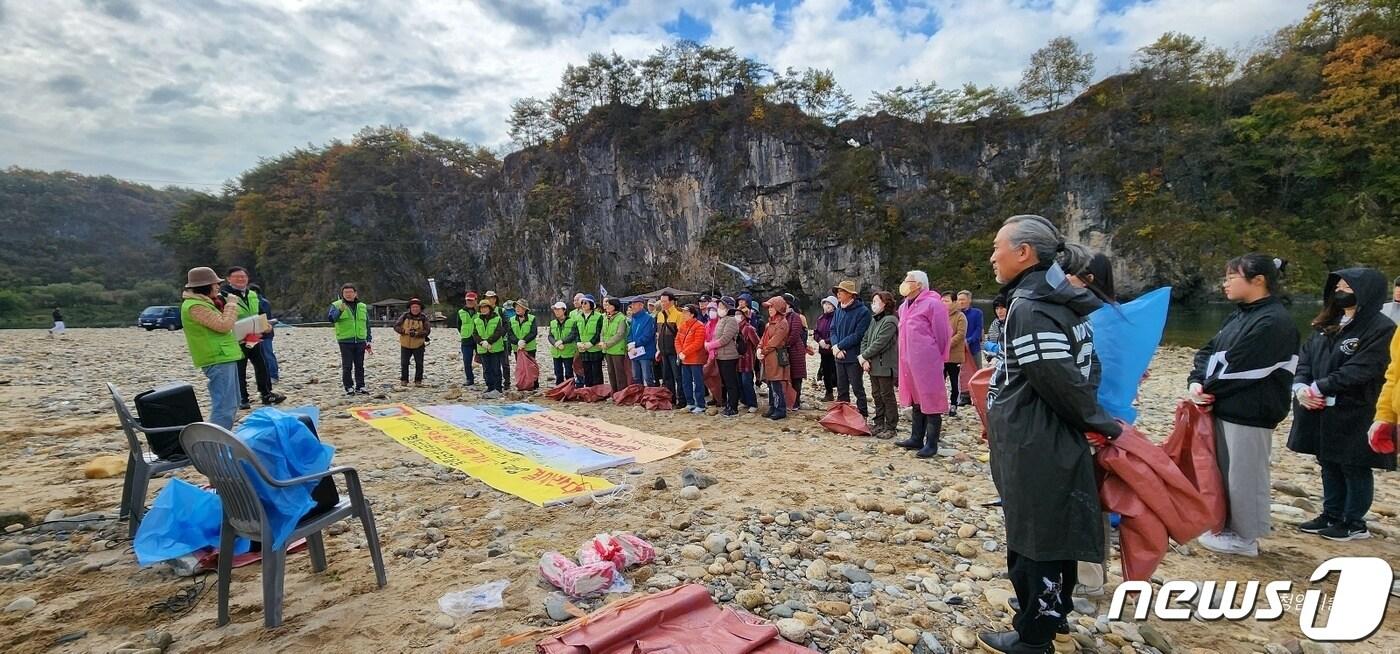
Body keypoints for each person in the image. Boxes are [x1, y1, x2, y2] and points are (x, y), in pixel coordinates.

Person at [978, 215, 1122, 654]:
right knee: (1056, 531)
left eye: (998, 247)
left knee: (1034, 536)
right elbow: (1087, 367)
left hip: (1035, 440)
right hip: (1048, 435)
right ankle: (1054, 618)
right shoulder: (1061, 300)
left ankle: (1033, 636)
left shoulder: (1031, 306)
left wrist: (1100, 423)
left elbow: (1054, 376)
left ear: (1024, 252)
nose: (992, 257)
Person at [1186, 254, 1301, 557]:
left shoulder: (1274, 321)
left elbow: (1245, 367)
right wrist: (1195, 381)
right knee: (1224, 471)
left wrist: (1207, 388)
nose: (1224, 283)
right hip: (1226, 404)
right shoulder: (1240, 314)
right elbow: (1209, 350)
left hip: (1252, 411)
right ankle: (1226, 526)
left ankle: (1245, 537)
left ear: (1258, 280)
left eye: (1230, 277)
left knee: (1245, 474)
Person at [1288, 268, 1396, 542]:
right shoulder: (1327, 322)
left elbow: (1364, 368)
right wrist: (1301, 386)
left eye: (1348, 286)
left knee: (1353, 463)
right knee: (1327, 460)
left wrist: (1320, 386)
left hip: (1356, 407)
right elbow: (1306, 358)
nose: (1341, 290)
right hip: (1320, 406)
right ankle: (1331, 513)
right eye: (1338, 285)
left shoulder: (1381, 328)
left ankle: (1354, 521)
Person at [895, 271, 951, 458]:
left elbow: (943, 334)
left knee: (931, 398)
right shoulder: (904, 306)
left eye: (908, 280)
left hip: (927, 359)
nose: (904, 283)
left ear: (919, 284)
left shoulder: (933, 304)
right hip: (908, 360)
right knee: (916, 398)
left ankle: (932, 443)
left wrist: (938, 355)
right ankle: (916, 437)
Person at [179, 267, 243, 429]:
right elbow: (223, 325)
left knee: (232, 402)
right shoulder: (195, 306)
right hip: (217, 358)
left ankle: (221, 441)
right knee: (224, 406)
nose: (218, 287)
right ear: (205, 286)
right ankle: (216, 446)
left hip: (224, 356)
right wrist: (232, 305)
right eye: (215, 284)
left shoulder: (205, 303)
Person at [223, 267, 283, 408]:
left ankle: (266, 394)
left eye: (243, 276)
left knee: (261, 364)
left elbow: (261, 313)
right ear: (228, 279)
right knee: (239, 368)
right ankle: (242, 399)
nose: (241, 279)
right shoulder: (223, 296)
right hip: (235, 338)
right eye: (237, 277)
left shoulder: (253, 294)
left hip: (253, 335)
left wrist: (265, 326)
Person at [859, 290, 899, 438]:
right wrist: (864, 358)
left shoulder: (890, 321)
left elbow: (880, 343)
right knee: (876, 395)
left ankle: (891, 426)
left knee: (887, 395)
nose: (873, 304)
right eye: (873, 301)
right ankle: (879, 422)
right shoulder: (874, 320)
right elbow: (865, 339)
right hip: (873, 365)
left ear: (885, 303)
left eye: (876, 301)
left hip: (885, 365)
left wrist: (863, 356)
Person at [830, 280, 873, 417]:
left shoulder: (863, 312)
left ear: (850, 294)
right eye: (838, 291)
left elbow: (858, 335)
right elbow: (833, 330)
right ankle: (842, 415)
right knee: (841, 387)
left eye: (841, 291)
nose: (838, 294)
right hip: (839, 355)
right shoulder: (838, 310)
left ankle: (863, 415)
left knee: (857, 387)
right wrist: (836, 347)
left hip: (854, 356)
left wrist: (839, 346)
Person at [329, 283, 372, 396]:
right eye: (346, 292)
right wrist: (340, 311)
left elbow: (367, 323)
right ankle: (348, 387)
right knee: (347, 365)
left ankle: (360, 386)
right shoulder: (337, 305)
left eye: (350, 292)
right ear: (342, 294)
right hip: (345, 340)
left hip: (360, 340)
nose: (348, 294)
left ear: (355, 293)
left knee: (359, 365)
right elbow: (332, 319)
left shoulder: (362, 306)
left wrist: (368, 339)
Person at [707, 297, 743, 417]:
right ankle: (728, 404)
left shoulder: (731, 321)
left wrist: (711, 345)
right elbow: (716, 335)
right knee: (725, 382)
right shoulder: (722, 320)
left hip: (729, 356)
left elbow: (725, 338)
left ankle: (733, 406)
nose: (719, 309)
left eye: (722, 306)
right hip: (721, 356)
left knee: (731, 382)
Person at [758, 297, 792, 420]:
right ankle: (773, 406)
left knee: (776, 383)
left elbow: (775, 341)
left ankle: (780, 409)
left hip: (776, 356)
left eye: (772, 307)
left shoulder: (782, 323)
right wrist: (759, 347)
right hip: (769, 356)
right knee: (771, 383)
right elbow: (764, 337)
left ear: (778, 308)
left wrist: (763, 350)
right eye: (769, 307)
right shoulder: (770, 323)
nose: (769, 310)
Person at [655, 291, 685, 408]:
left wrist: (679, 351)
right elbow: (658, 333)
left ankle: (682, 400)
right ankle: (670, 399)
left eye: (665, 301)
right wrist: (658, 349)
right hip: (663, 351)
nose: (662, 304)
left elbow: (680, 335)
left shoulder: (679, 315)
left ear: (672, 302)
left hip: (674, 351)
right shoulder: (660, 315)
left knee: (678, 376)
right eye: (661, 301)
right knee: (667, 377)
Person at [676, 304, 707, 413]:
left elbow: (698, 343)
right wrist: (680, 352)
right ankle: (690, 402)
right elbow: (677, 340)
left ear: (692, 314)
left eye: (686, 312)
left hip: (696, 359)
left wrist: (684, 352)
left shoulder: (699, 326)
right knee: (686, 382)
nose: (683, 314)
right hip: (685, 358)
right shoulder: (683, 325)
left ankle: (701, 404)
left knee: (698, 382)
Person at [394, 298, 431, 386]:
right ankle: (404, 380)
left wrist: (417, 333)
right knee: (404, 363)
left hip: (418, 344)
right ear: (410, 308)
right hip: (405, 343)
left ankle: (418, 380)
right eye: (413, 307)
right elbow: (396, 326)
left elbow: (427, 330)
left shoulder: (423, 318)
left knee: (419, 363)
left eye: (417, 307)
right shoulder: (404, 316)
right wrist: (404, 331)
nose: (415, 309)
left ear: (420, 308)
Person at [474, 300, 508, 396]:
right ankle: (490, 387)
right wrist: (481, 342)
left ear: (490, 308)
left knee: (496, 368)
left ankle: (498, 388)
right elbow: (475, 334)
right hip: (482, 348)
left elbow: (499, 332)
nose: (483, 309)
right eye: (482, 308)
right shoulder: (477, 320)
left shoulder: (497, 319)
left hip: (495, 348)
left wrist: (488, 342)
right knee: (486, 369)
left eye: (485, 307)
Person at [942, 293, 968, 417]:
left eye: (946, 301)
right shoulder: (940, 315)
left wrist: (947, 344)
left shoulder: (960, 316)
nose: (944, 304)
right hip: (940, 355)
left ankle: (954, 404)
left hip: (954, 355)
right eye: (942, 301)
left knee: (954, 380)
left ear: (953, 302)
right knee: (939, 380)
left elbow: (961, 334)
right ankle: (940, 403)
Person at [782, 293, 808, 410]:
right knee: (787, 376)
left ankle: (796, 402)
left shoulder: (795, 317)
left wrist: (784, 343)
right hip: (785, 351)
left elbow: (794, 334)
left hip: (795, 350)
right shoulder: (782, 316)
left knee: (796, 377)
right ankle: (789, 400)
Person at [957, 290, 983, 405]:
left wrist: (969, 341)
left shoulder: (977, 313)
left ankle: (978, 396)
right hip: (959, 349)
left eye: (963, 299)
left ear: (969, 300)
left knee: (977, 372)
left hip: (974, 348)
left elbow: (979, 330)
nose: (960, 302)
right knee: (962, 373)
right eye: (959, 300)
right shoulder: (956, 314)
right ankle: (964, 396)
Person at [574, 295, 606, 387]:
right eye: (582, 303)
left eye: (585, 303)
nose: (583, 305)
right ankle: (588, 390)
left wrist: (591, 343)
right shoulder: (578, 317)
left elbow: (599, 332)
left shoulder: (599, 317)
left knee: (597, 372)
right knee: (586, 371)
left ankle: (599, 391)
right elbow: (576, 332)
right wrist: (578, 342)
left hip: (595, 349)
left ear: (591, 304)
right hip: (583, 349)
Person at [250, 284, 279, 383]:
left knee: (268, 354)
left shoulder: (263, 303)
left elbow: (263, 317)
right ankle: (263, 376)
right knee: (258, 356)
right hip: (253, 333)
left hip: (265, 334)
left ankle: (273, 375)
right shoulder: (249, 302)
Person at [600, 298, 631, 391]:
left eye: (609, 305)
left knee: (619, 372)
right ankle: (614, 391)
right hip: (607, 349)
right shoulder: (605, 317)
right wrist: (602, 342)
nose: (607, 307)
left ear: (615, 306)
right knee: (610, 372)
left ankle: (621, 392)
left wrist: (608, 344)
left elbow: (620, 334)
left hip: (617, 349)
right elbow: (602, 332)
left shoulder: (621, 318)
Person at [736, 301, 761, 412]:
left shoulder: (749, 328)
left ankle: (752, 403)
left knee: (747, 382)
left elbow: (757, 343)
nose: (737, 317)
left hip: (747, 360)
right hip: (736, 360)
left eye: (739, 315)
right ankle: (744, 401)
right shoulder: (735, 328)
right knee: (739, 383)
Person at [626, 297, 657, 386]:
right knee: (636, 377)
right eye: (632, 305)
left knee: (647, 377)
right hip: (634, 352)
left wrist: (635, 344)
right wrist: (630, 344)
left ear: (641, 305)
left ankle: (651, 395)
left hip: (645, 352)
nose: (633, 307)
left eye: (635, 305)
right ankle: (639, 396)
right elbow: (630, 333)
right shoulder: (634, 318)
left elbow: (648, 335)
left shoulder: (649, 319)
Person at [508, 299, 538, 390]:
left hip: (529, 347)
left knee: (531, 366)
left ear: (525, 309)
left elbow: (533, 332)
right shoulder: (511, 319)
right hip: (517, 348)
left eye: (520, 307)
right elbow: (510, 334)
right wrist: (517, 342)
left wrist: (524, 341)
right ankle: (522, 383)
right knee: (521, 367)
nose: (517, 309)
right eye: (516, 307)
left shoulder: (532, 318)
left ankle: (534, 384)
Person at [547, 302, 579, 385]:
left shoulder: (572, 322)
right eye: (555, 310)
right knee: (558, 373)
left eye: (558, 309)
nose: (556, 311)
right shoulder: (552, 323)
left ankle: (570, 389)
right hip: (556, 352)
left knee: (569, 372)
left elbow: (573, 335)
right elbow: (550, 336)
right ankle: (559, 389)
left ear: (564, 310)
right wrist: (555, 343)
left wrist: (562, 341)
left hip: (568, 352)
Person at [814, 297, 838, 402]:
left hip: (834, 349)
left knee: (836, 372)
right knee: (826, 372)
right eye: (825, 304)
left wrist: (828, 342)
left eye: (830, 304)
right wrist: (820, 341)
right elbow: (816, 333)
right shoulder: (820, 319)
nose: (827, 306)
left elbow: (837, 333)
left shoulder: (837, 318)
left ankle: (841, 394)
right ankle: (829, 393)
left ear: (834, 307)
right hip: (823, 349)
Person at [457, 292, 480, 386]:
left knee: (484, 360)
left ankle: (488, 379)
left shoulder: (480, 311)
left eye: (471, 300)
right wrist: (464, 333)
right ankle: (469, 379)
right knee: (467, 360)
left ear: (476, 300)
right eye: (468, 300)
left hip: (479, 339)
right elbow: (458, 325)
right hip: (466, 339)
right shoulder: (460, 312)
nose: (469, 302)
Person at [984, 295, 1008, 364]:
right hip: (996, 361)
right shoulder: (995, 323)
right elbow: (987, 341)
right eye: (997, 308)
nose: (999, 312)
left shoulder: (1015, 323)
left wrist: (998, 349)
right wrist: (990, 346)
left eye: (1002, 308)